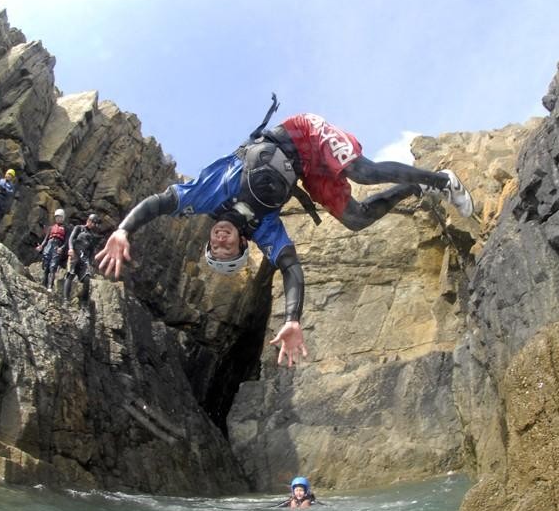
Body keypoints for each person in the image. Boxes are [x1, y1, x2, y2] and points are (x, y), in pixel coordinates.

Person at [96, 100, 475, 366]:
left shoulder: (205, 197)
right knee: (356, 218)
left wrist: (124, 230)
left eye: (215, 244)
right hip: (306, 172)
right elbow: (291, 269)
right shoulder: (265, 228)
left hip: (300, 134)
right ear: (244, 244)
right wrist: (292, 319)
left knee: (361, 171)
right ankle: (416, 188)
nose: (220, 241)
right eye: (226, 249)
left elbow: (159, 203)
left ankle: (442, 181)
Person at [64, 213, 103, 304]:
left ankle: (84, 303)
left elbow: (92, 251)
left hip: (84, 258)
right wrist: (70, 249)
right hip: (75, 254)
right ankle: (65, 299)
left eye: (95, 223)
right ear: (88, 221)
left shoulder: (92, 236)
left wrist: (90, 262)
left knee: (87, 279)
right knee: (70, 274)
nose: (94, 225)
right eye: (93, 222)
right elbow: (71, 238)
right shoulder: (79, 228)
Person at [37, 208, 68, 292]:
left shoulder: (65, 228)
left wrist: (61, 248)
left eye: (60, 217)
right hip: (49, 246)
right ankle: (44, 284)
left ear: (63, 218)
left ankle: (50, 286)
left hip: (57, 246)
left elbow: (66, 241)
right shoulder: (51, 228)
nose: (58, 218)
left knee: (53, 266)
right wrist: (41, 246)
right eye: (57, 217)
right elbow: (46, 239)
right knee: (46, 265)